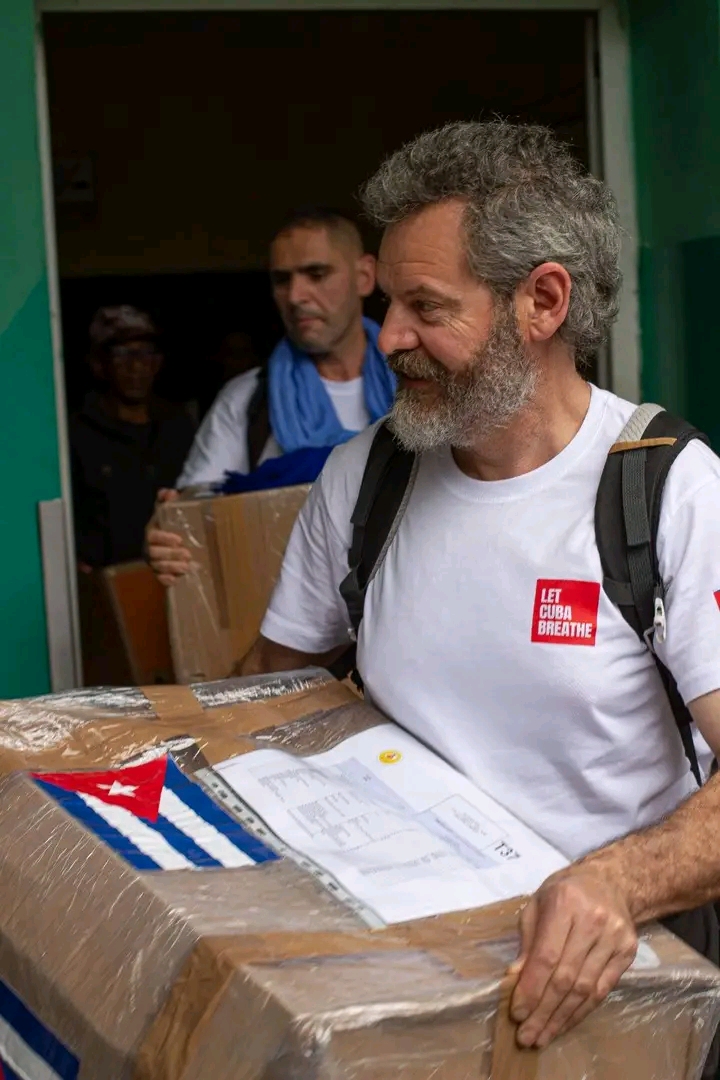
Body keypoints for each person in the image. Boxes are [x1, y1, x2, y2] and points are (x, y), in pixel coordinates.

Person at [237, 123, 720, 1071]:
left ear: (542, 301)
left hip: (620, 986)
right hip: (401, 975)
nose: (389, 340)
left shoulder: (669, 490)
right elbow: (264, 699)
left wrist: (620, 881)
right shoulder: (363, 480)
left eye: (426, 307)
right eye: (389, 302)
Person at [146, 207, 395, 585]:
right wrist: (169, 534)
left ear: (364, 276)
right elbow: (193, 517)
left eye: (316, 274)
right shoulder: (246, 400)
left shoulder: (417, 384)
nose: (296, 296)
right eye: (282, 280)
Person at [70, 306, 196, 569]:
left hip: (176, 575)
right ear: (98, 364)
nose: (136, 365)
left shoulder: (180, 427)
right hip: (108, 585)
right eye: (122, 354)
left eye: (147, 352)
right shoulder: (77, 435)